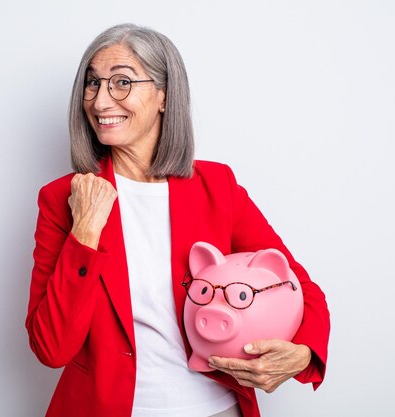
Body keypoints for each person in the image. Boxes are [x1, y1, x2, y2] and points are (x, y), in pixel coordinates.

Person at [25, 23, 330, 417]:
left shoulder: (216, 186)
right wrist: (85, 231)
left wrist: (303, 353)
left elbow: (299, 287)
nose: (100, 102)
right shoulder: (63, 199)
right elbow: (51, 348)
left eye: (121, 83)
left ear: (164, 96)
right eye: (92, 83)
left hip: (216, 407)